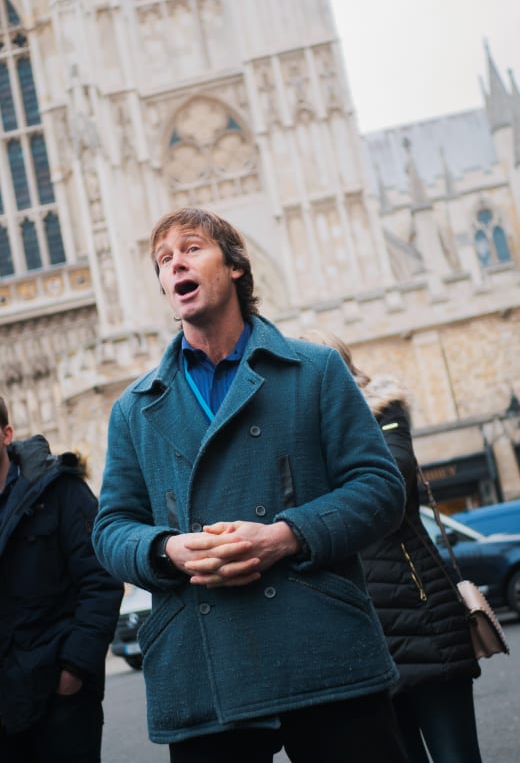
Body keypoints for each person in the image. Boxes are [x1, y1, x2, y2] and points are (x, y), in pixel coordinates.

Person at [92, 206, 409, 763]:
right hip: (202, 662)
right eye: (163, 260)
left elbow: (380, 487)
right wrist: (168, 550)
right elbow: (111, 528)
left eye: (190, 248)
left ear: (235, 265)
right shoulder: (134, 409)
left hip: (321, 645)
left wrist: (286, 536)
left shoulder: (315, 371)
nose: (174, 265)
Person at [304, 330, 482, 763]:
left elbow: (389, 478)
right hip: (361, 634)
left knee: (455, 755)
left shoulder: (383, 410)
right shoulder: (300, 434)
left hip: (425, 617)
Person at [0, 397, 124, 763]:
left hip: (57, 697)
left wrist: (74, 669)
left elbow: (101, 578)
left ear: (7, 434)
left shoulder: (57, 489)